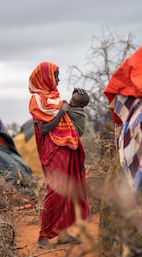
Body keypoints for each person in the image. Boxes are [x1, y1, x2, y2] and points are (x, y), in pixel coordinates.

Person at [28, 61, 90, 247]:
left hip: (67, 148)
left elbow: (71, 120)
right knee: (55, 191)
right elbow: (45, 128)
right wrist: (61, 113)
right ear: (46, 77)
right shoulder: (37, 100)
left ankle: (63, 233)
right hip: (53, 150)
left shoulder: (56, 98)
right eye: (55, 76)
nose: (58, 79)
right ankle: (43, 235)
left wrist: (76, 102)